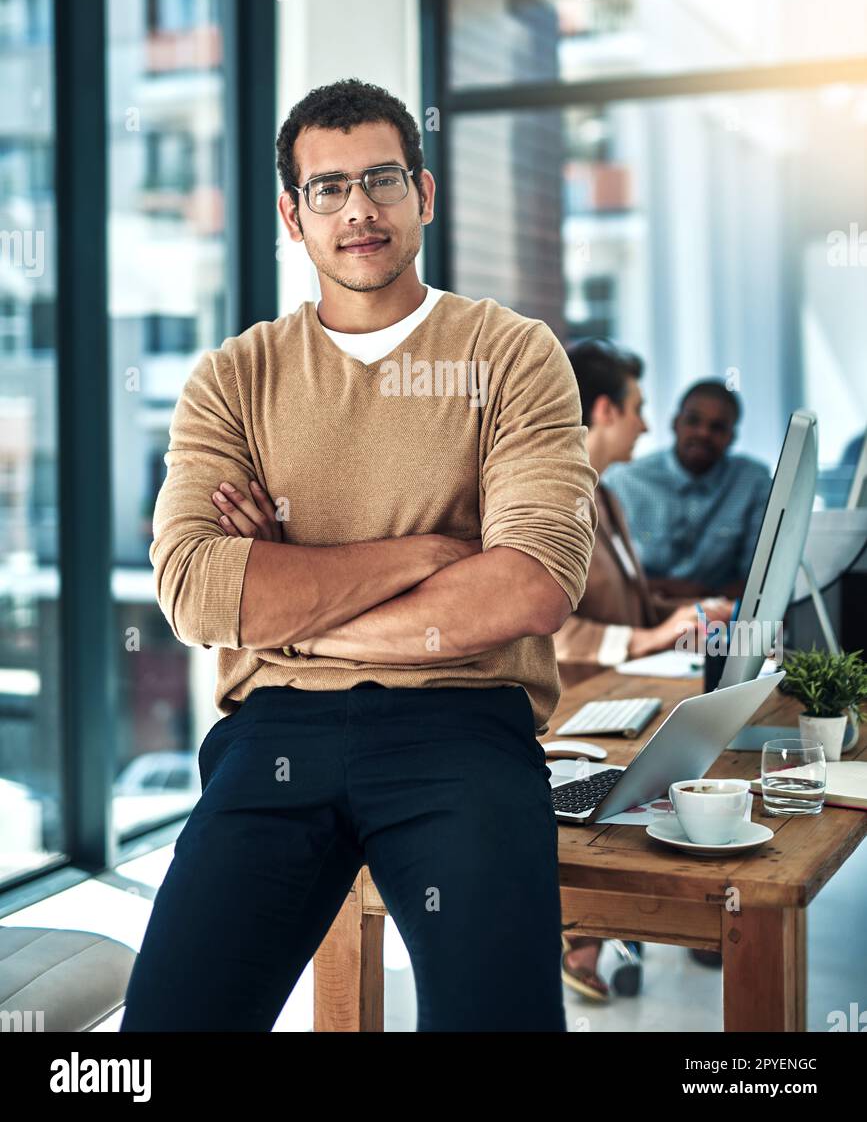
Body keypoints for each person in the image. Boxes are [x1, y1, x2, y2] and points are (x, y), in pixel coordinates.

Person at [120, 78, 598, 1034]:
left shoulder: (511, 353)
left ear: (423, 193)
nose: (359, 210)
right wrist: (431, 551)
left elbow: (533, 584)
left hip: (463, 727)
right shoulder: (235, 375)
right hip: (275, 734)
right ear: (293, 216)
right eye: (329, 188)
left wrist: (290, 608)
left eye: (382, 180)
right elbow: (192, 591)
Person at [552, 340, 732, 1003]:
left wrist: (682, 613)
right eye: (638, 407)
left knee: (695, 740)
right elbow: (549, 628)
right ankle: (596, 923)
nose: (648, 425)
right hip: (568, 707)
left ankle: (679, 909)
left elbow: (634, 602)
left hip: (617, 693)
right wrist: (651, 635)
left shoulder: (606, 495)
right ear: (603, 409)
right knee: (667, 759)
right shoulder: (551, 497)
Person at [605, 379, 771, 598]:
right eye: (693, 421)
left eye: (717, 427)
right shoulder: (624, 481)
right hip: (644, 616)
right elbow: (605, 578)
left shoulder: (753, 483)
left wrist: (702, 599)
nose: (703, 433)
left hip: (717, 620)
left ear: (732, 438)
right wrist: (664, 589)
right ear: (675, 423)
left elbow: (759, 580)